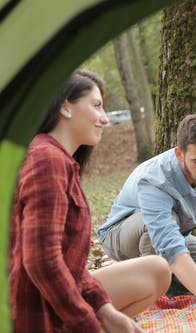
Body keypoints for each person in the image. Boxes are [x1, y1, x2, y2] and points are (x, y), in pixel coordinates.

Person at [9, 69, 171, 333]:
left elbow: (70, 268)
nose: (105, 119)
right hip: (30, 313)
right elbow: (41, 262)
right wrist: (87, 324)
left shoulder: (57, 159)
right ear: (65, 107)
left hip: (53, 294)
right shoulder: (46, 160)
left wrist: (105, 311)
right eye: (96, 106)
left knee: (156, 270)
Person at [98, 112, 196, 333]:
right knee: (166, 224)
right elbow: (167, 242)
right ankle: (146, 293)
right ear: (179, 154)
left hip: (176, 238)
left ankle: (168, 284)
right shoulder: (155, 179)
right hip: (122, 236)